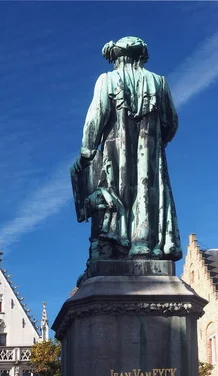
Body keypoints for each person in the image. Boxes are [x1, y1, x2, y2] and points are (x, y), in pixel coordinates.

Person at [71, 36, 182, 266]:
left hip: (115, 153)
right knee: (147, 192)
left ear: (118, 58)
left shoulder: (108, 80)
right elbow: (171, 122)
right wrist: (156, 142)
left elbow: (95, 118)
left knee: (115, 195)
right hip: (150, 154)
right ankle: (143, 244)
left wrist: (87, 152)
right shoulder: (159, 83)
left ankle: (115, 246)